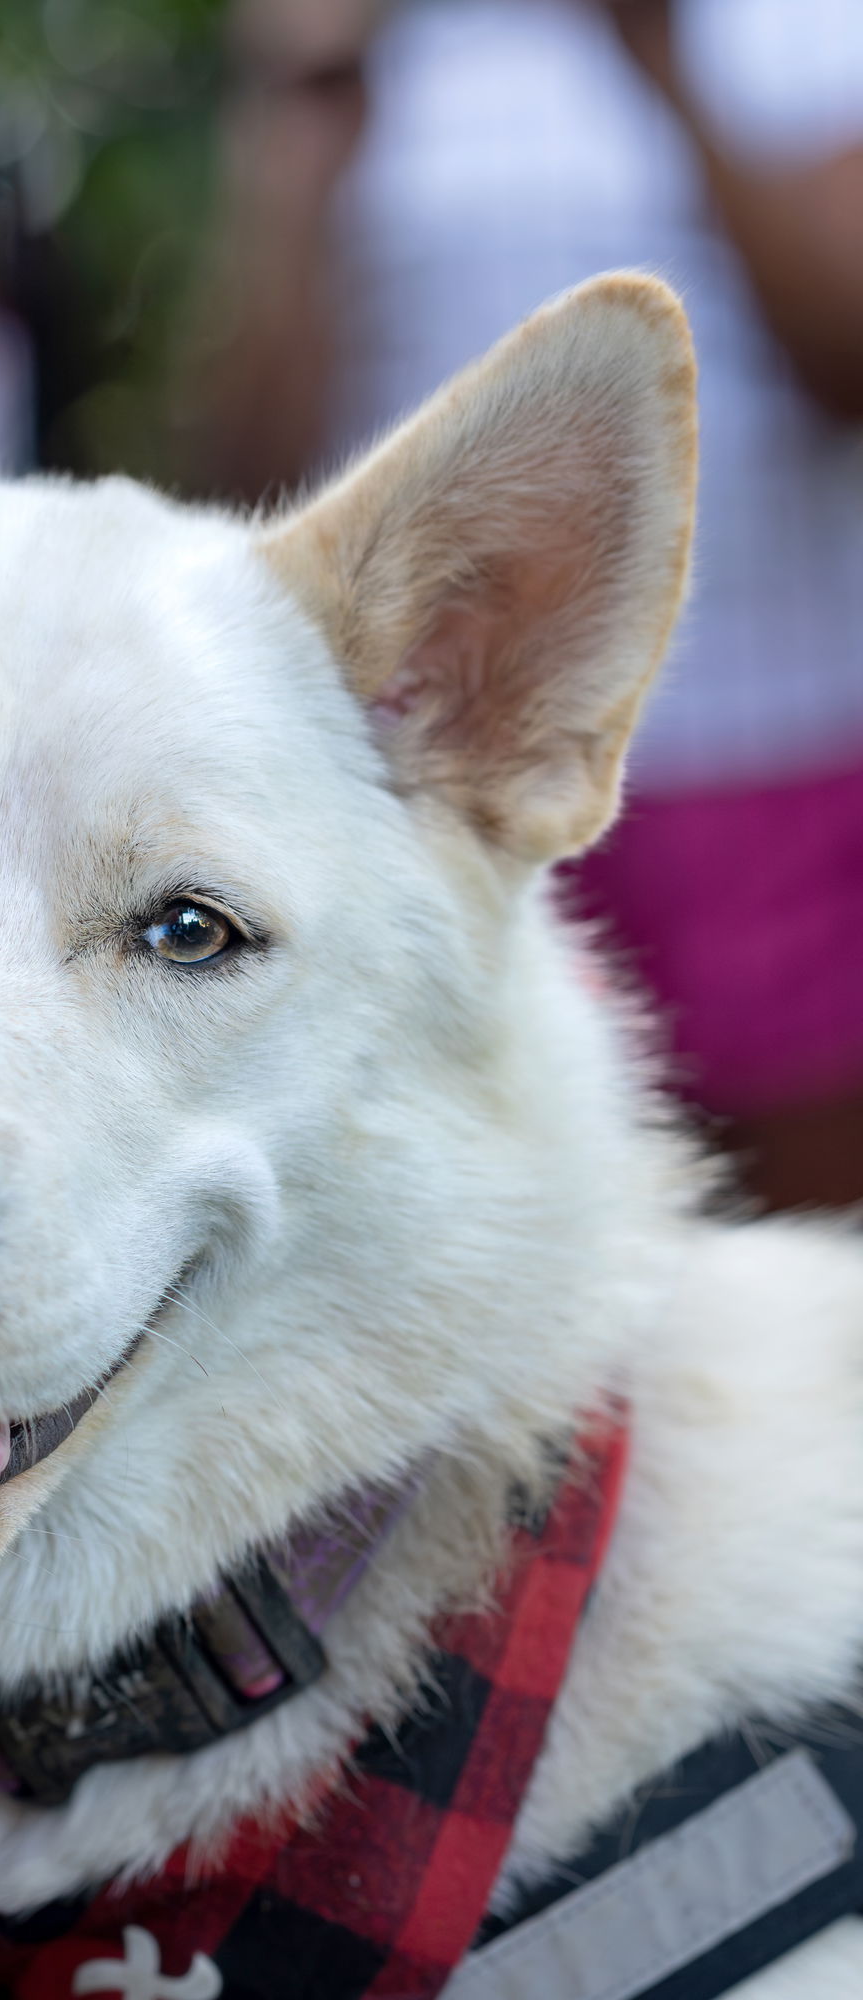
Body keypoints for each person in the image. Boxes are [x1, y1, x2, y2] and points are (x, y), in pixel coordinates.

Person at [184, 0, 863, 1208]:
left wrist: (661, 56)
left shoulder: (803, 30)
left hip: (777, 766)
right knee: (490, 1233)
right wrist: (306, 129)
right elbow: (242, 476)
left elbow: (844, 364)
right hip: (443, 789)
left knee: (804, 1261)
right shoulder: (356, 46)